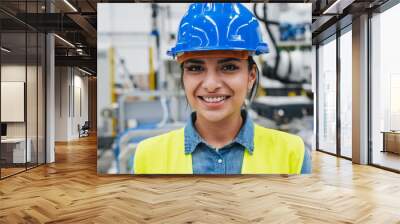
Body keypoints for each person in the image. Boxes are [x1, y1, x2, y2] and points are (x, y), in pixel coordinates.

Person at [133, 3, 311, 174]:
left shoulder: (292, 154)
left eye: (229, 67)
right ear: (183, 77)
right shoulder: (148, 156)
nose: (211, 85)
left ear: (251, 76)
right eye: (195, 68)